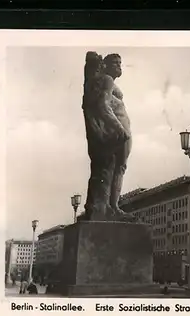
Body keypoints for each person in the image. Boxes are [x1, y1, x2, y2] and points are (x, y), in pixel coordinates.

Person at [81, 52, 133, 221]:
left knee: (116, 168)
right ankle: (112, 207)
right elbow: (104, 106)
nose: (119, 66)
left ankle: (111, 206)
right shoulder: (107, 81)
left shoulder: (102, 82)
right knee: (116, 167)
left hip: (117, 130)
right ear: (106, 65)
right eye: (115, 63)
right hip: (117, 132)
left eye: (120, 63)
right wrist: (119, 129)